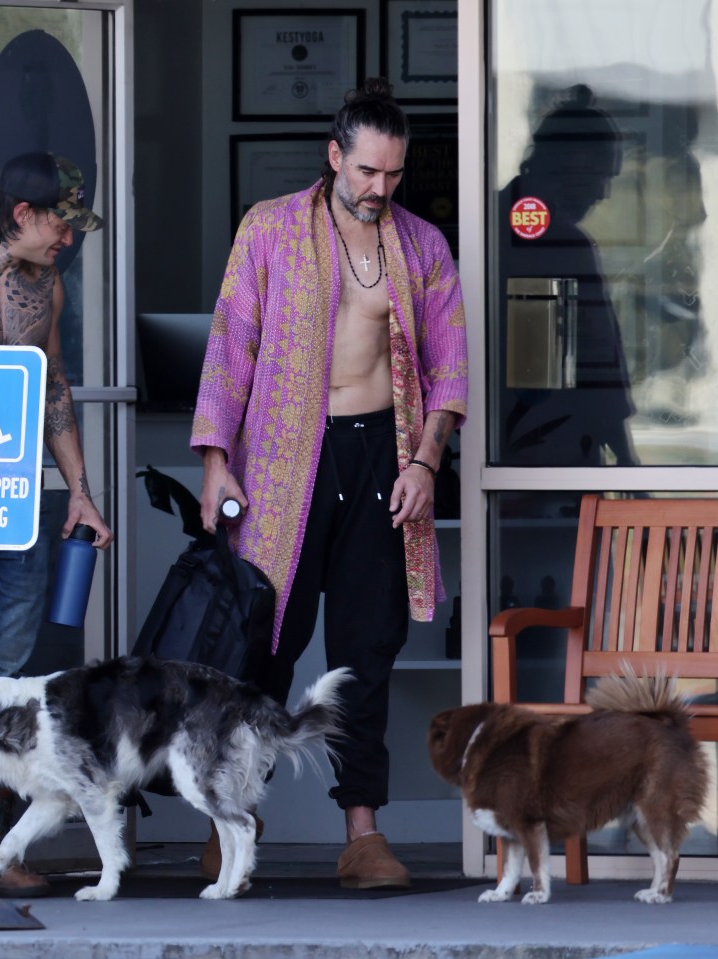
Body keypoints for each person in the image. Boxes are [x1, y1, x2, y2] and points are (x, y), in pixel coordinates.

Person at [190, 78, 468, 889]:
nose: (379, 188)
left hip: (381, 458)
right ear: (334, 155)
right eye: (367, 172)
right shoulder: (270, 228)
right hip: (283, 460)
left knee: (365, 648)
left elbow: (448, 368)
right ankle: (233, 818)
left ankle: (363, 834)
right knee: (262, 645)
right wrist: (216, 460)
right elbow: (229, 344)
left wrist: (422, 460)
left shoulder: (421, 246)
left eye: (392, 174)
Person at [0, 151, 114, 898]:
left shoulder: (49, 284)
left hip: (16, 501)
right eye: (61, 221)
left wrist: (80, 492)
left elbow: (52, 386)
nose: (68, 238)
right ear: (23, 213)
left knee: (4, 667)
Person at [497, 84, 639, 466]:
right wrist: (627, 462)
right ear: (575, 164)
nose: (603, 193)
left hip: (497, 446)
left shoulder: (489, 224)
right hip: (553, 451)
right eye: (601, 175)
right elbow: (601, 364)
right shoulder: (566, 243)